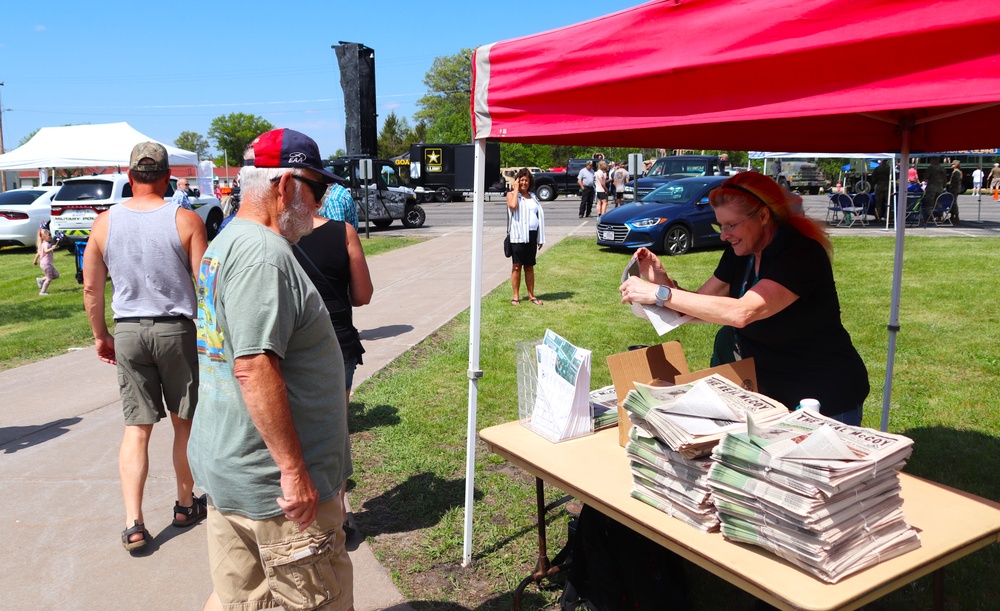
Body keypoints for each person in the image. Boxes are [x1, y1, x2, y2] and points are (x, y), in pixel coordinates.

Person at [188, 128, 354, 611]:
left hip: (236, 471)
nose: (322, 200)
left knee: (240, 600)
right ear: (283, 186)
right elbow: (254, 368)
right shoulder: (264, 255)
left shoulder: (227, 243)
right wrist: (294, 471)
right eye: (317, 188)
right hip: (276, 494)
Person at [619, 172, 869, 425]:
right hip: (770, 393)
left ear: (763, 216)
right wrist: (663, 281)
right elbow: (699, 306)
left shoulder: (800, 254)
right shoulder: (741, 253)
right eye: (720, 225)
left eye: (732, 225)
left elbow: (742, 313)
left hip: (823, 396)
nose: (723, 235)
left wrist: (660, 294)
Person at [82, 142, 208, 552]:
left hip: (130, 330)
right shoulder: (186, 219)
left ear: (129, 175)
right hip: (176, 331)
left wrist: (102, 335)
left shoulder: (103, 224)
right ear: (168, 176)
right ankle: (185, 505)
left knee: (137, 429)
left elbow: (91, 288)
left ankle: (133, 522)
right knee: (182, 423)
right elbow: (205, 288)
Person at [293, 200, 373, 536]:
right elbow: (363, 294)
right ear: (322, 195)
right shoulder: (344, 233)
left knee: (291, 426)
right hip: (336, 340)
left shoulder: (275, 237)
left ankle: (298, 507)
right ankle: (339, 511)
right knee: (336, 428)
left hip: (289, 344)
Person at [507, 167, 545, 306]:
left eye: (526, 180)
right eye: (521, 180)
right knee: (517, 266)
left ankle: (531, 295)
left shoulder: (533, 197)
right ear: (517, 181)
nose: (524, 183)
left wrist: (540, 237)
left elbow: (538, 217)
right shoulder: (511, 194)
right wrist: (515, 188)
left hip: (532, 234)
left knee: (529, 266)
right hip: (518, 235)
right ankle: (515, 296)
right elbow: (512, 206)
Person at [33, 226, 60, 295]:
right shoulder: (46, 244)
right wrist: (52, 248)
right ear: (43, 237)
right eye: (49, 235)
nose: (50, 236)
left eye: (50, 234)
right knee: (49, 279)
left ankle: (41, 280)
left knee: (56, 275)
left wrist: (35, 261)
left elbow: (38, 253)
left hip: (46, 264)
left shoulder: (44, 244)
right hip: (46, 264)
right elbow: (46, 251)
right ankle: (42, 292)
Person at [922, 158, 946, 225]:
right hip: (940, 188)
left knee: (929, 203)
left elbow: (926, 176)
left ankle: (929, 217)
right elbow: (945, 179)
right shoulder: (942, 168)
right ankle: (939, 217)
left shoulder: (931, 167)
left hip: (932, 187)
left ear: (934, 161)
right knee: (938, 202)